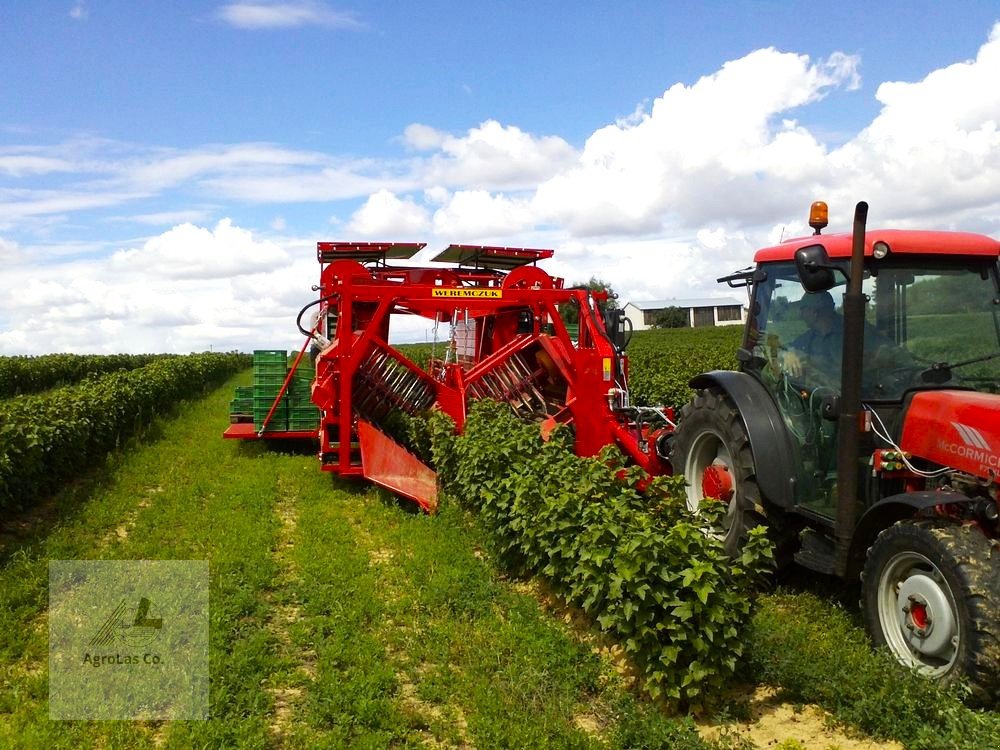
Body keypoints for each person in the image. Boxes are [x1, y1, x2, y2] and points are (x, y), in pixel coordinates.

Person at [782, 290, 842, 382]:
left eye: (803, 309)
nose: (801, 315)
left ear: (814, 312)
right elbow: (789, 347)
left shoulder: (851, 334)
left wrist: (811, 360)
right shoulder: (811, 335)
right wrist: (789, 353)